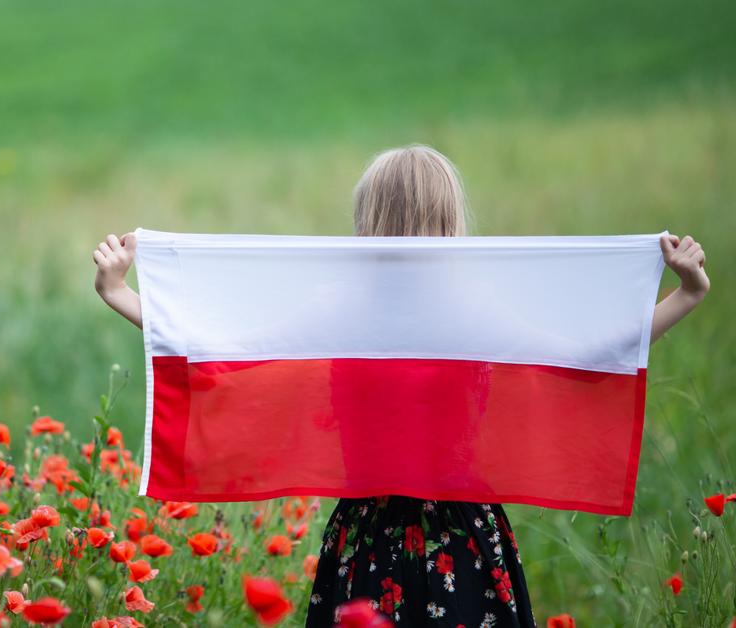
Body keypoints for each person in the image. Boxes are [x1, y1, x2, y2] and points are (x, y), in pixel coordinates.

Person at [91, 144, 709, 627]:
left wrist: (120, 293)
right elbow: (589, 359)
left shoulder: (338, 306)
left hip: (366, 541)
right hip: (466, 541)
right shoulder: (479, 308)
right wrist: (686, 295)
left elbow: (227, 349)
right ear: (449, 216)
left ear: (369, 218)